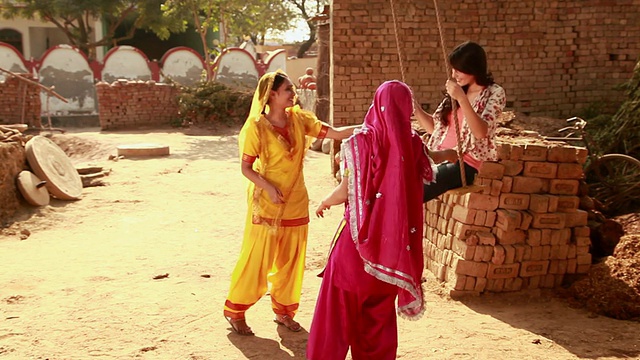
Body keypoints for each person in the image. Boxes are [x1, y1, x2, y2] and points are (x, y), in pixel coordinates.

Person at [306, 80, 436, 359]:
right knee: (377, 327)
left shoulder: (362, 142)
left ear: (377, 104)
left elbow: (345, 190)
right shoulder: (413, 146)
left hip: (355, 252)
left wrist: (326, 200)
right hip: (389, 256)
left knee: (334, 323)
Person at [224, 70, 356, 336]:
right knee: (257, 259)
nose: (293, 94)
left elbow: (337, 133)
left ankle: (284, 311)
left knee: (291, 261)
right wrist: (269, 188)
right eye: (288, 90)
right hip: (267, 204)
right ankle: (236, 311)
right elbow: (246, 168)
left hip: (296, 202)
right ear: (272, 94)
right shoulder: (256, 128)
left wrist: (373, 126)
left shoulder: (299, 120)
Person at [414, 41, 506, 202]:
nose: (454, 74)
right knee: (399, 179)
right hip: (437, 156)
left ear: (473, 68)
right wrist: (414, 107)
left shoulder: (494, 93)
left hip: (464, 163)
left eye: (459, 70)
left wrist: (462, 99)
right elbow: (434, 129)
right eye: (453, 69)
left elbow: (480, 132)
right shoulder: (456, 90)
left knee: (415, 190)